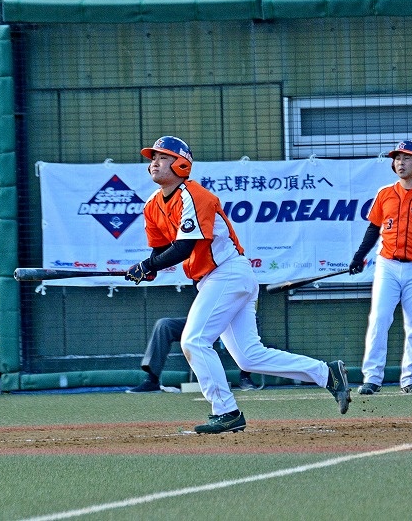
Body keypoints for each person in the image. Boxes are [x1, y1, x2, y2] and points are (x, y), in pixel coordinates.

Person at [126, 136, 350, 433]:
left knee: (194, 341)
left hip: (227, 273)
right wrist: (147, 269)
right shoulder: (152, 205)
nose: (154, 162)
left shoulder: (195, 196)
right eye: (152, 158)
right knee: (249, 356)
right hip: (215, 280)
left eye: (163, 157)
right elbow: (161, 249)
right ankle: (326, 373)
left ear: (181, 164)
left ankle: (226, 411)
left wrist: (149, 265)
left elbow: (183, 247)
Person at [348, 140, 412, 395]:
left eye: (406, 158)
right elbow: (374, 228)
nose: (400, 163)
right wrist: (359, 257)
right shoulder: (385, 193)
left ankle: (411, 380)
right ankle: (372, 378)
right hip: (387, 265)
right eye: (397, 158)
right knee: (379, 320)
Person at [126, 316, 261, 393]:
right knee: (164, 325)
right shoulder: (199, 276)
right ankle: (152, 380)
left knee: (252, 320)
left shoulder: (234, 278)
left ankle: (245, 377)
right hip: (201, 322)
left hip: (229, 321)